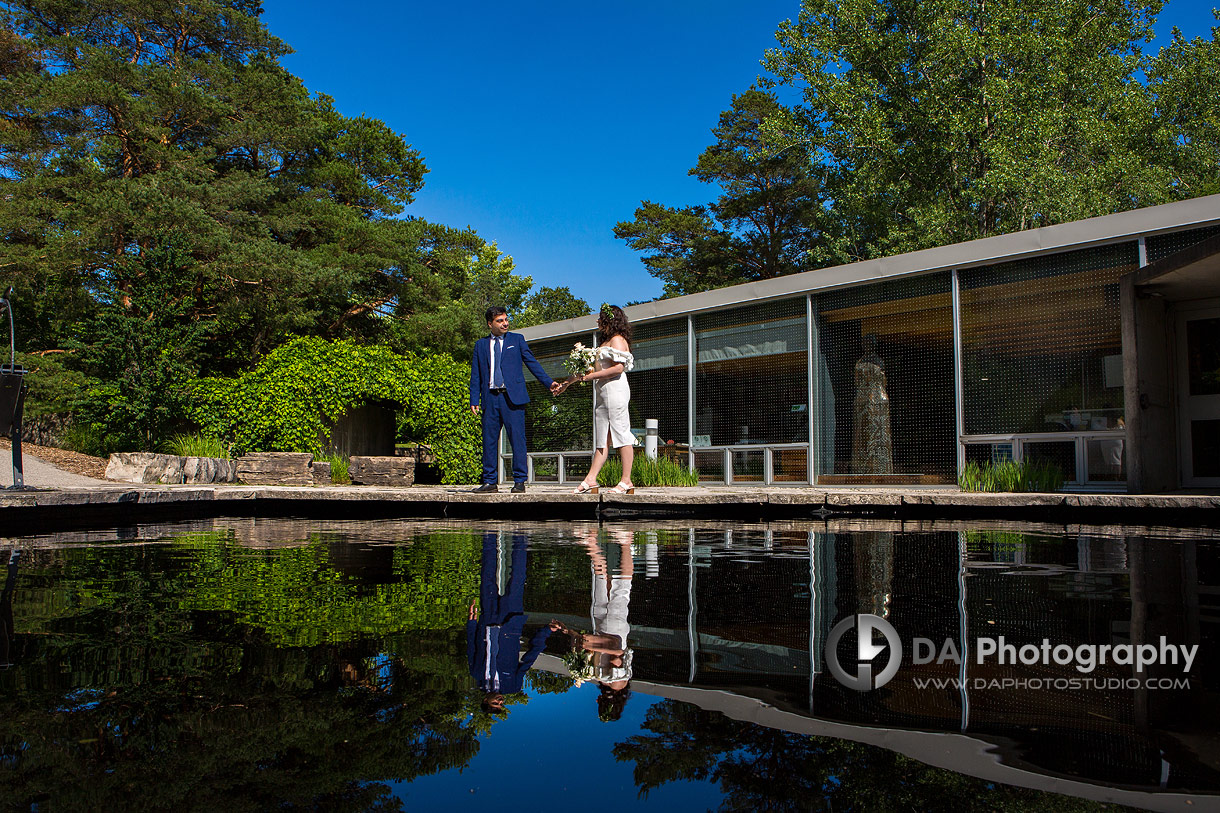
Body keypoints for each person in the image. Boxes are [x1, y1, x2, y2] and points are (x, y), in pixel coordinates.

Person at [469, 306, 559, 493]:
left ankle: (519, 481)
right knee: (489, 441)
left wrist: (548, 383)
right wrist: (473, 399)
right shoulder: (480, 345)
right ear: (490, 324)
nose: (505, 323)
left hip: (513, 399)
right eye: (500, 321)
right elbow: (476, 374)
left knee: (518, 439)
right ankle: (489, 482)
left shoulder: (517, 340)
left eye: (506, 319)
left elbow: (532, 363)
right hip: (491, 398)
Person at [467, 531, 557, 715]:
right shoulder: (513, 685)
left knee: (487, 577)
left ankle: (488, 534)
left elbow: (472, 648)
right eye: (501, 704)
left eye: (495, 704)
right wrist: (546, 631)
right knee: (517, 578)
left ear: (485, 700)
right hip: (510, 622)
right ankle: (521, 535)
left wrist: (471, 624)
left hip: (488, 620)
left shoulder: (476, 674)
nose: (500, 701)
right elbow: (529, 658)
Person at [555, 304, 636, 494]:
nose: (597, 321)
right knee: (602, 439)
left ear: (610, 319)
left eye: (600, 318)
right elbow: (589, 371)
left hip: (615, 391)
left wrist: (592, 377)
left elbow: (618, 368)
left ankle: (626, 481)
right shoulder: (605, 342)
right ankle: (591, 479)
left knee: (621, 433)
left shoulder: (617, 340)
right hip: (602, 394)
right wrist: (567, 383)